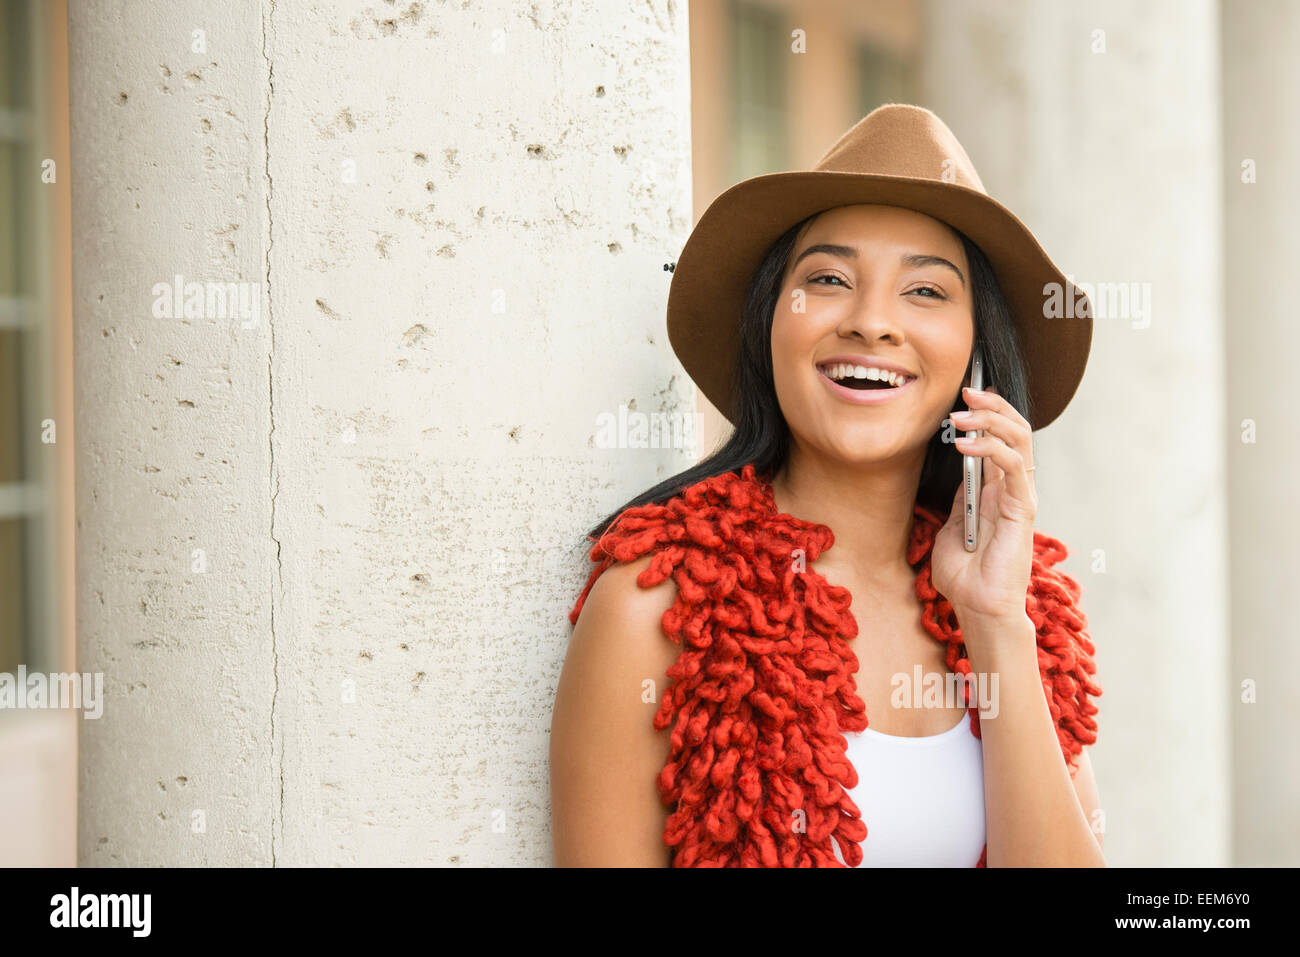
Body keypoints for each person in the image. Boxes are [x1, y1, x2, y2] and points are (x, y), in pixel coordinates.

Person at [550, 104, 1103, 867]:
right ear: (771, 322)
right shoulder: (661, 602)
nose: (872, 322)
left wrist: (995, 621)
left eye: (927, 292)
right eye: (829, 279)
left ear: (978, 358)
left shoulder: (1030, 605)